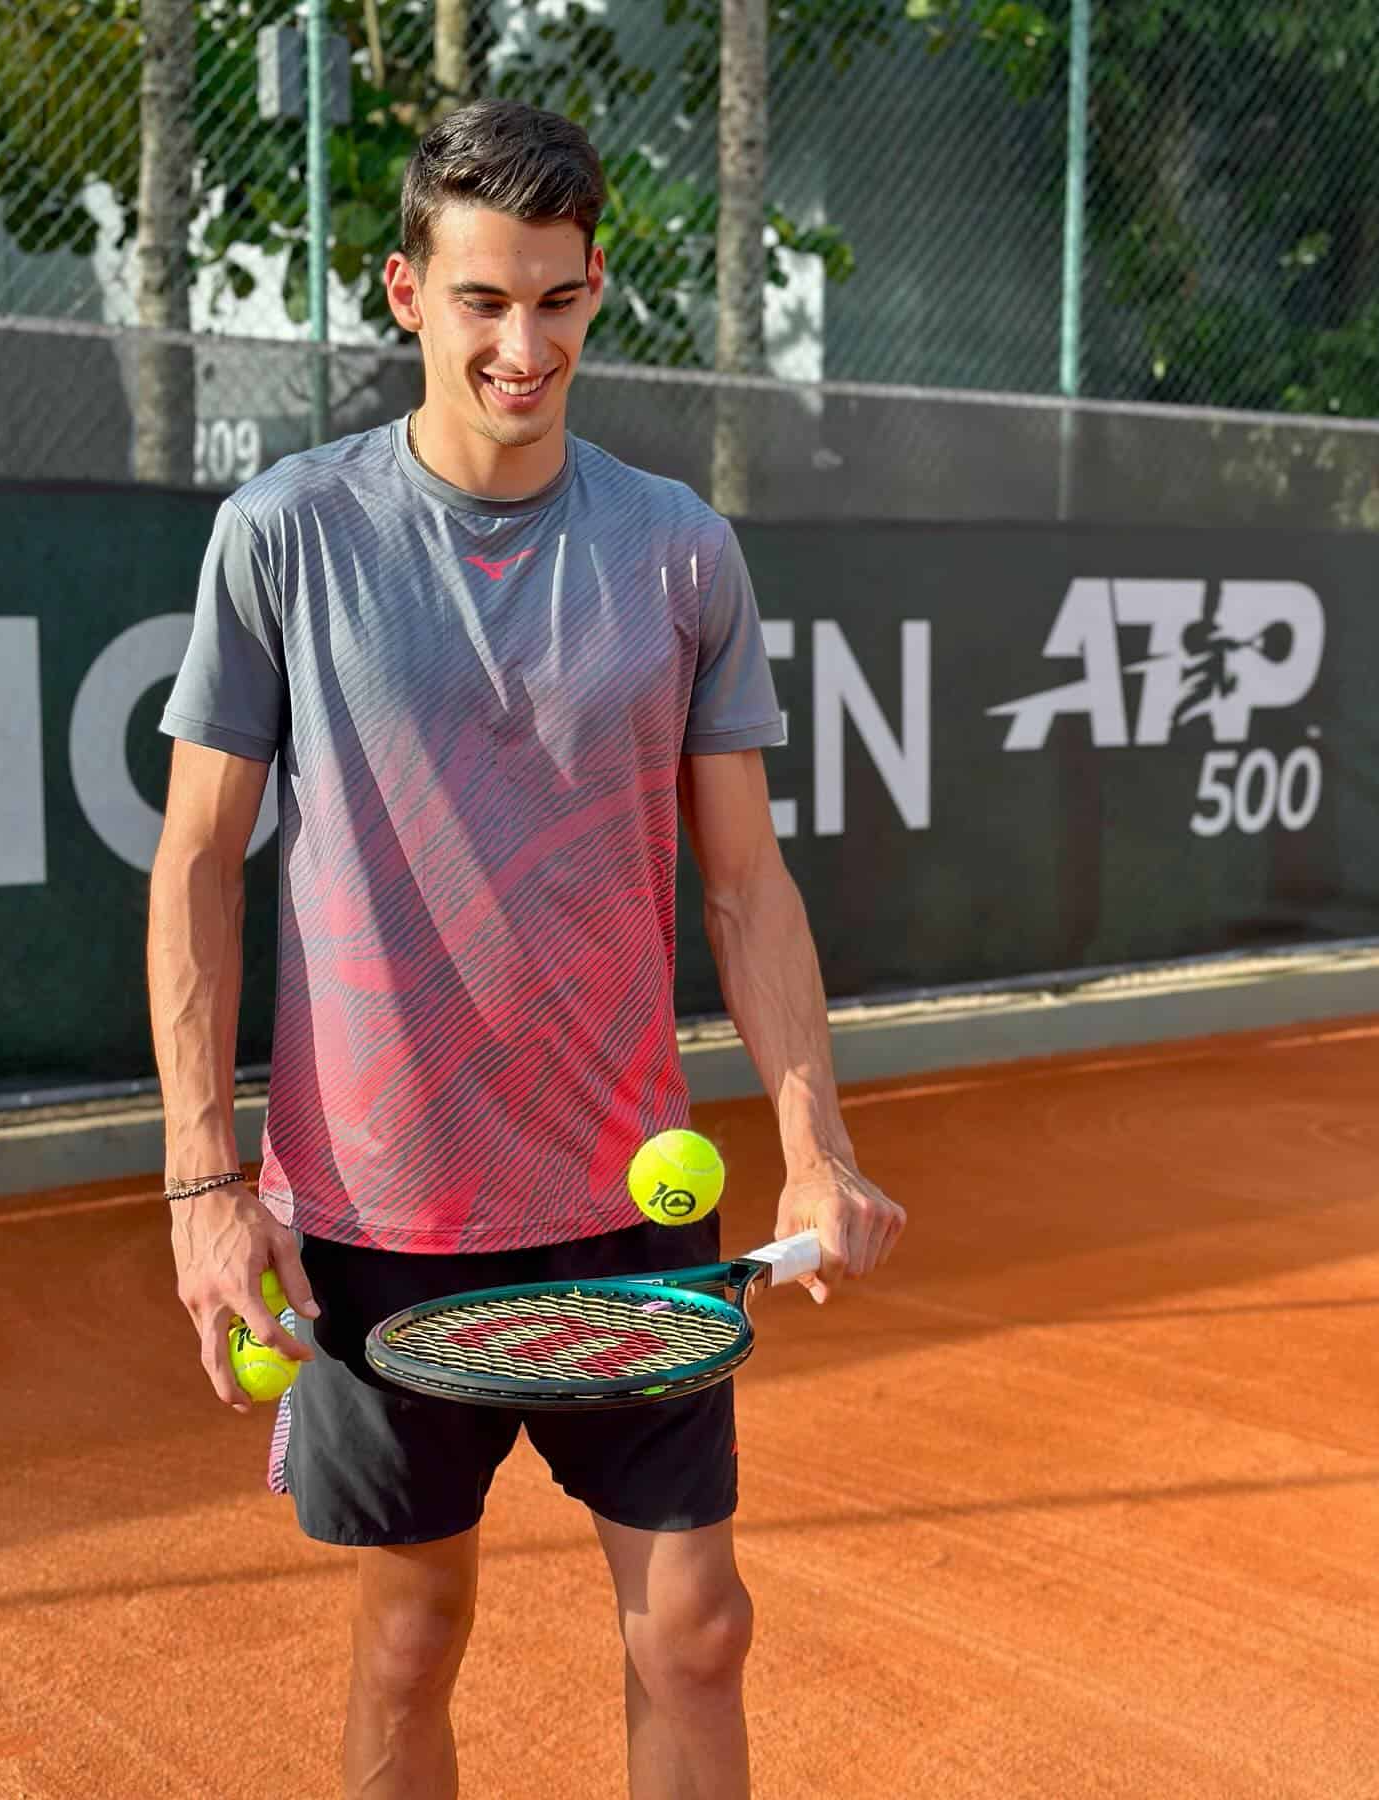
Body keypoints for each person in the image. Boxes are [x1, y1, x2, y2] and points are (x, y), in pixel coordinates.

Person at [147, 98, 906, 1800]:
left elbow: (747, 887)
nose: (522, 345)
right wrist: (206, 1183)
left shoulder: (678, 551)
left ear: (594, 290)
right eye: (485, 300)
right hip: (374, 1205)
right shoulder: (285, 536)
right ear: (409, 290)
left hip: (623, 1187)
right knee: (412, 1638)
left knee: (698, 1624)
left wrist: (816, 1146)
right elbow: (198, 862)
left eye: (557, 302)